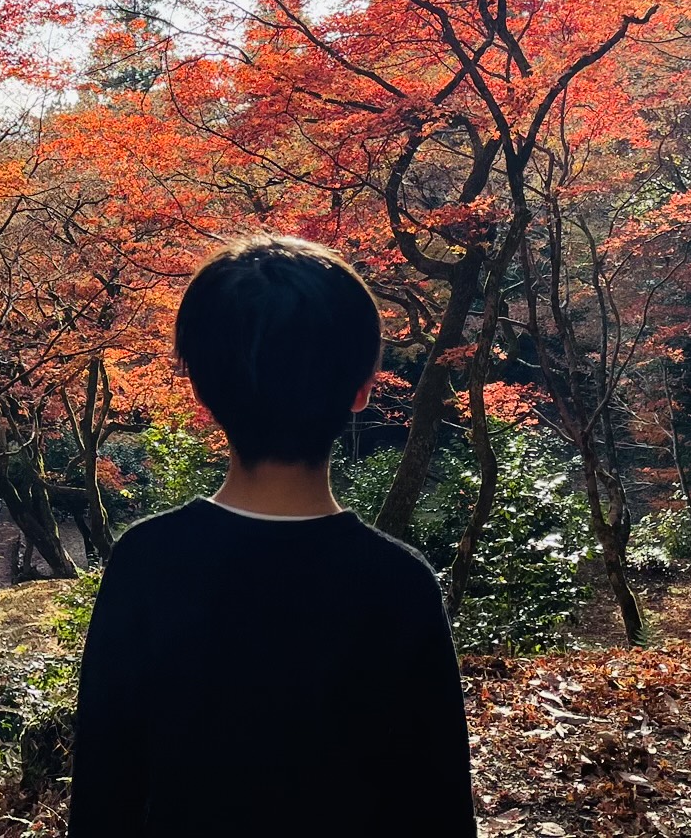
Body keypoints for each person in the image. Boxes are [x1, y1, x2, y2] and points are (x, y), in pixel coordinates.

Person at [68, 236, 478, 837]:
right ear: (362, 389)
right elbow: (439, 807)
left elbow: (104, 793)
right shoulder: (400, 583)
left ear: (201, 392)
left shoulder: (149, 562)